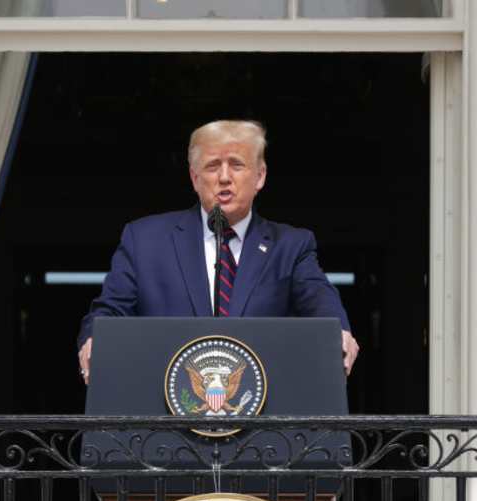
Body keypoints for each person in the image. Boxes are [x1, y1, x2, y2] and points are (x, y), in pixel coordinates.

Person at [76, 119, 358, 383]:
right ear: (194, 178)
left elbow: (319, 300)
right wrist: (95, 338)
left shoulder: (291, 245)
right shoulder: (145, 240)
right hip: (164, 415)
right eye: (212, 166)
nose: (224, 177)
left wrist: (339, 331)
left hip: (262, 419)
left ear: (259, 177)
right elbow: (110, 310)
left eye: (236, 165)